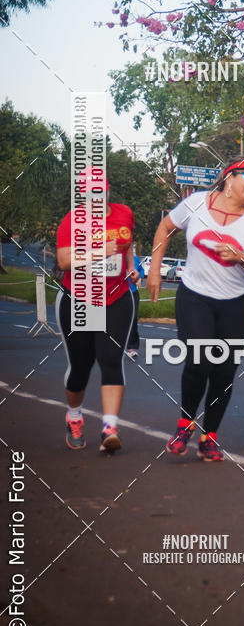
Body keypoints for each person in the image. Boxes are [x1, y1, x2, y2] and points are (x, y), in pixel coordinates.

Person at [147, 157, 244, 461]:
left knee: (224, 370)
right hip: (195, 296)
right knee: (200, 359)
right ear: (229, 177)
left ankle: (210, 436)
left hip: (236, 302)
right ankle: (185, 423)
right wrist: (154, 269)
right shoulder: (197, 203)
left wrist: (241, 255)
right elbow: (165, 228)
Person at [55, 168, 138, 453]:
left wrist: (130, 267)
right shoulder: (72, 221)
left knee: (111, 361)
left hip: (116, 298)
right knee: (80, 368)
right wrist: (101, 250)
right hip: (79, 299)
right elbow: (64, 260)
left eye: (100, 191)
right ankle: (74, 416)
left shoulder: (124, 212)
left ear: (107, 189)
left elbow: (125, 244)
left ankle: (109, 428)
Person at [127, 252, 145, 357]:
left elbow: (141, 270)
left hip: (133, 292)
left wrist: (140, 278)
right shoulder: (112, 258)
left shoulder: (135, 259)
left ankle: (131, 347)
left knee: (133, 319)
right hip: (116, 293)